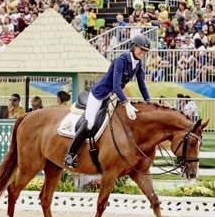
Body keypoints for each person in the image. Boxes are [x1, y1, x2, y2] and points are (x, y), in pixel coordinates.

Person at [63, 34, 151, 168]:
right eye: (141, 49)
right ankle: (70, 155)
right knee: (90, 123)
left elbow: (142, 85)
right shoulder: (121, 60)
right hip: (99, 94)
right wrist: (126, 103)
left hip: (111, 96)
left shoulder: (138, 64)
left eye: (145, 51)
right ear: (134, 47)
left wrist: (149, 101)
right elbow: (116, 85)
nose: (143, 52)